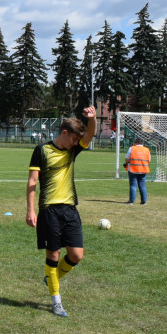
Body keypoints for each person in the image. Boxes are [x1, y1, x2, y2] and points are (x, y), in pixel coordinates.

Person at [26, 106, 97, 318]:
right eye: (74, 139)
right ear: (64, 133)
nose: (77, 144)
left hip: (70, 209)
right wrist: (30, 211)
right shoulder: (42, 150)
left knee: (76, 255)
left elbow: (90, 135)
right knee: (53, 254)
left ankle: (52, 277)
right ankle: (56, 301)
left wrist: (92, 119)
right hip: (49, 209)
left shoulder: (72, 150)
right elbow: (32, 182)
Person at [123, 138, 151, 205]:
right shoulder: (147, 150)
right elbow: (149, 160)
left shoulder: (132, 148)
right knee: (142, 186)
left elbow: (127, 158)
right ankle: (144, 201)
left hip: (133, 169)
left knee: (133, 186)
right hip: (144, 170)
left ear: (136, 142)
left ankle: (131, 201)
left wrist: (128, 162)